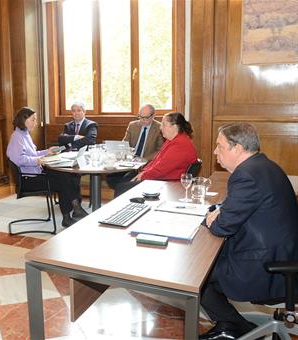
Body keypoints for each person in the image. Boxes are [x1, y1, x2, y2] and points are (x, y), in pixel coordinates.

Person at [199, 123, 298, 340]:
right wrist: (219, 213)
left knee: (198, 277)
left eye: (220, 146)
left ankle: (239, 328)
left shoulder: (248, 175)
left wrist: (211, 220)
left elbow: (222, 226)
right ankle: (230, 325)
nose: (215, 151)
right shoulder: (262, 166)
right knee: (206, 263)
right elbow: (230, 209)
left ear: (238, 148)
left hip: (268, 265)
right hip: (279, 250)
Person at [7, 107, 88, 227]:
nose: (35, 123)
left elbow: (32, 154)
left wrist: (47, 152)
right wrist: (37, 160)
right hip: (28, 180)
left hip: (35, 174)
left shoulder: (24, 134)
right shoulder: (16, 137)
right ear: (23, 120)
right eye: (33, 120)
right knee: (63, 180)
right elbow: (18, 159)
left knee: (66, 174)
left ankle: (74, 210)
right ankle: (72, 212)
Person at [113, 112, 197, 197]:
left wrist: (143, 175)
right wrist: (143, 172)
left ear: (174, 127)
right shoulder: (172, 140)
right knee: (121, 179)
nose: (160, 128)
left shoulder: (180, 145)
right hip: (162, 178)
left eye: (164, 125)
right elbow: (157, 162)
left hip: (168, 183)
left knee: (122, 187)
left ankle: (128, 209)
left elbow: (160, 170)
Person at [106, 104, 164, 191]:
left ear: (153, 116)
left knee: (124, 182)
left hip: (145, 164)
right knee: (110, 177)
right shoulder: (133, 125)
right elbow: (124, 143)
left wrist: (143, 159)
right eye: (140, 117)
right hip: (129, 161)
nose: (142, 120)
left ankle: (123, 195)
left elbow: (160, 150)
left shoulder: (159, 128)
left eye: (146, 117)